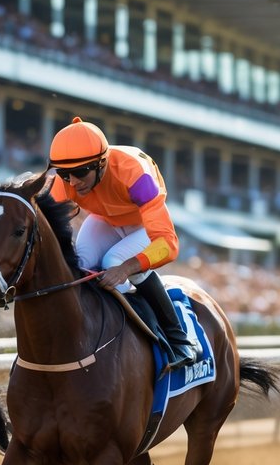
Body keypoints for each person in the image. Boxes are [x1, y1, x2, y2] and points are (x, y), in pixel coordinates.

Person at [47, 116, 199, 371]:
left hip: (142, 222)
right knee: (81, 263)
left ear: (102, 163)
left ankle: (177, 339)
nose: (73, 182)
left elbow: (168, 243)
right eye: (64, 174)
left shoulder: (134, 174)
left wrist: (127, 268)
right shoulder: (64, 183)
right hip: (106, 218)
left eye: (81, 172)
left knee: (112, 262)